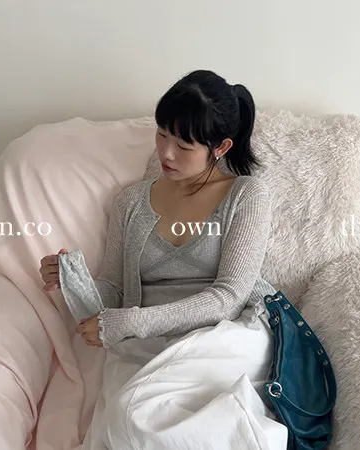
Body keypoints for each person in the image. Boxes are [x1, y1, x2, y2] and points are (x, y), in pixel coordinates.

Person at [38, 69, 288, 449]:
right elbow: (114, 289)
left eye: (183, 146)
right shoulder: (131, 202)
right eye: (162, 134)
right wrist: (73, 280)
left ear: (220, 147)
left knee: (135, 415)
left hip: (226, 335)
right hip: (144, 344)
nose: (166, 153)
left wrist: (134, 322)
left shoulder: (246, 195)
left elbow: (229, 296)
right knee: (125, 419)